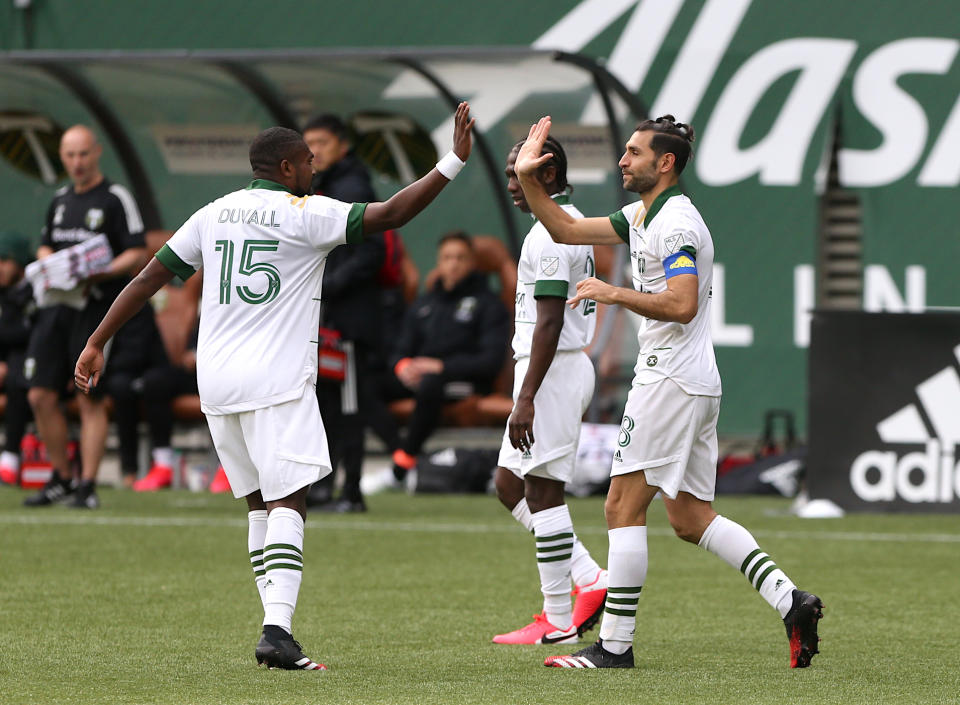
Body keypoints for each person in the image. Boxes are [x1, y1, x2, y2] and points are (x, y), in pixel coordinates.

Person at [74, 103, 475, 671]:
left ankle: (274, 630)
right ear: (287, 168)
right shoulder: (303, 212)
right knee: (290, 500)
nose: (314, 169)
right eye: (307, 161)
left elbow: (147, 278)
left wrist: (96, 341)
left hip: (215, 380)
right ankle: (278, 630)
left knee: (259, 505)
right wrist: (454, 160)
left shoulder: (213, 213)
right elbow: (388, 216)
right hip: (274, 378)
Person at [514, 115, 823, 669]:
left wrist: (615, 292)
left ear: (666, 164)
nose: (622, 161)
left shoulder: (676, 225)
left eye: (633, 153)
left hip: (670, 379)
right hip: (690, 379)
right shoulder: (641, 215)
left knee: (620, 505)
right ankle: (791, 600)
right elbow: (563, 228)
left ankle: (614, 646)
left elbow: (682, 304)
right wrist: (528, 177)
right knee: (689, 518)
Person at [490, 138, 608, 645]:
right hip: (544, 371)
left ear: (549, 170)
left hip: (553, 371)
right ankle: (589, 578)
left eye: (519, 173)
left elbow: (550, 321)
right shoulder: (554, 225)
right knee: (509, 484)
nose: (512, 184)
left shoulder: (553, 234)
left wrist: (526, 396)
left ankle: (559, 621)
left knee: (542, 490)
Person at [23, 125, 147, 509]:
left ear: (97, 153)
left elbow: (138, 253)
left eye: (83, 154)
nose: (76, 162)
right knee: (40, 394)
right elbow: (46, 243)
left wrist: (100, 270)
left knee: (88, 395)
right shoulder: (59, 200)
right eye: (69, 155)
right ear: (62, 158)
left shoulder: (115, 197)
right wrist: (51, 261)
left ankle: (87, 485)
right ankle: (61, 477)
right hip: (55, 306)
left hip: (94, 309)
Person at [303, 113, 389, 513]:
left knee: (350, 404)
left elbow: (372, 251)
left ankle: (351, 490)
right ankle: (328, 486)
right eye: (309, 144)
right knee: (330, 405)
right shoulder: (323, 186)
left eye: (321, 142)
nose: (314, 151)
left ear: (343, 145)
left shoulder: (352, 186)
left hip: (351, 320)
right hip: (332, 316)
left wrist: (326, 286)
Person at [385, 231, 509, 481]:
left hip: (463, 382)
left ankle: (403, 463)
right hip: (418, 379)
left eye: (460, 257)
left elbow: (490, 362)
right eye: (447, 257)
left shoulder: (488, 304)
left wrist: (441, 367)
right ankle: (397, 450)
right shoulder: (424, 304)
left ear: (473, 263)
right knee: (365, 384)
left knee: (431, 384)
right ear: (438, 263)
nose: (453, 263)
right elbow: (400, 349)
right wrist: (403, 366)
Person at [0, 230, 35, 485]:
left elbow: (30, 335)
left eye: (4, 260)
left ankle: (10, 457)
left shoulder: (37, 290)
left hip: (35, 366)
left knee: (15, 375)